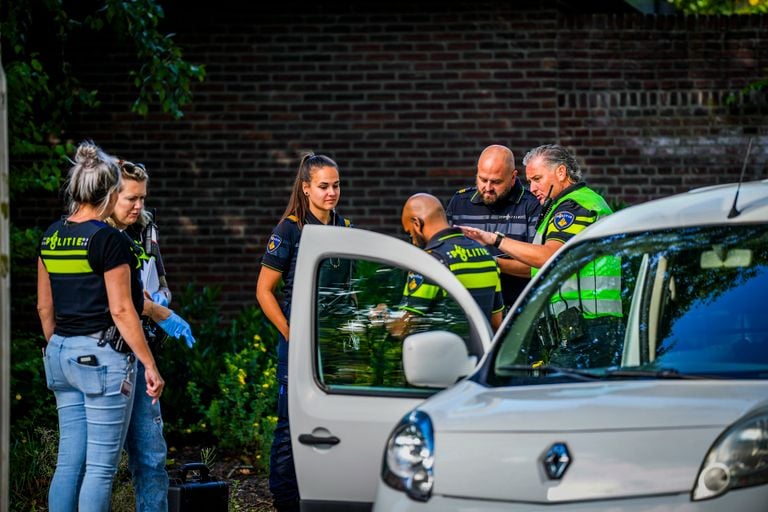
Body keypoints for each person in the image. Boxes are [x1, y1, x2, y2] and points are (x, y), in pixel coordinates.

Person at [37, 141, 165, 511]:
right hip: (102, 359)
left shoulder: (51, 235)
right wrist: (150, 365)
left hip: (60, 352)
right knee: (99, 468)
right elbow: (124, 310)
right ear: (109, 192)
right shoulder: (110, 240)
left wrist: (60, 348)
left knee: (68, 462)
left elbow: (45, 306)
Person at [460, 144, 622, 364]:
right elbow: (538, 267)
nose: (533, 187)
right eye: (530, 181)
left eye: (537, 179)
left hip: (588, 330)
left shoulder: (575, 206)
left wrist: (495, 240)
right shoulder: (563, 207)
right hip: (582, 331)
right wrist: (492, 262)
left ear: (561, 172)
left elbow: (548, 256)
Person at [255, 153, 353, 512]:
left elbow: (350, 287)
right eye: (324, 186)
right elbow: (264, 291)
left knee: (333, 422)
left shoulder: (344, 227)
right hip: (298, 346)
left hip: (334, 345)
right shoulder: (290, 229)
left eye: (336, 185)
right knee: (290, 424)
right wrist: (292, 335)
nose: (331, 193)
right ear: (307, 187)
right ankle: (285, 501)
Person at [108, 159, 196, 512]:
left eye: (142, 198)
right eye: (131, 198)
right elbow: (113, 302)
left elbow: (160, 283)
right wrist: (154, 310)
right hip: (109, 356)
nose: (138, 206)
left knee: (152, 456)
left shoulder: (145, 229)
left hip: (141, 353)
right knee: (101, 464)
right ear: (110, 195)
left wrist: (160, 302)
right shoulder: (96, 234)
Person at [373, 193, 504, 338]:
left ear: (417, 224)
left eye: (410, 233)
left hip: (444, 357)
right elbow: (496, 323)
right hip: (481, 356)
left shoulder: (430, 261)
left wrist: (383, 314)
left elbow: (401, 328)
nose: (413, 242)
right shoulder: (485, 256)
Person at [446, 144, 541, 310]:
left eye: (496, 182)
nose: (488, 188)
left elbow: (537, 266)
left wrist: (488, 263)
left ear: (513, 177)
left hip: (516, 311)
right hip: (468, 309)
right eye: (482, 179)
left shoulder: (532, 205)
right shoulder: (459, 202)